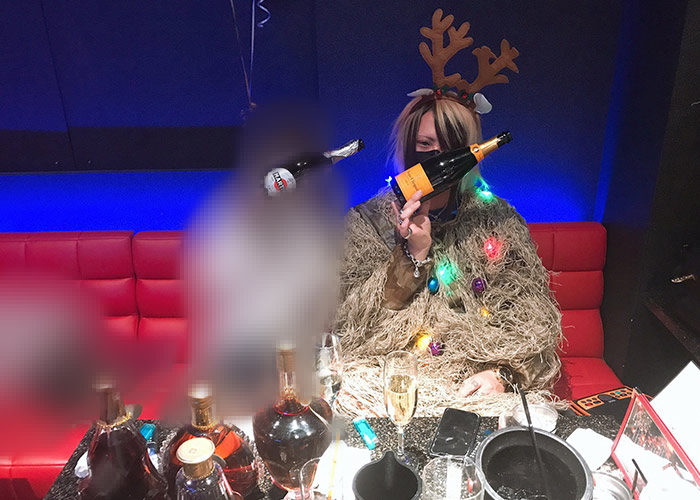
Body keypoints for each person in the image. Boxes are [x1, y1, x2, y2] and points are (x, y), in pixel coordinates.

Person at [332, 9, 562, 417]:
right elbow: (350, 334)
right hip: (391, 385)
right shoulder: (367, 224)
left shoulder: (496, 223)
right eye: (424, 146)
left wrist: (503, 375)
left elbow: (536, 327)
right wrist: (413, 255)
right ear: (407, 148)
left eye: (449, 149)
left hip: (473, 390)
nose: (436, 159)